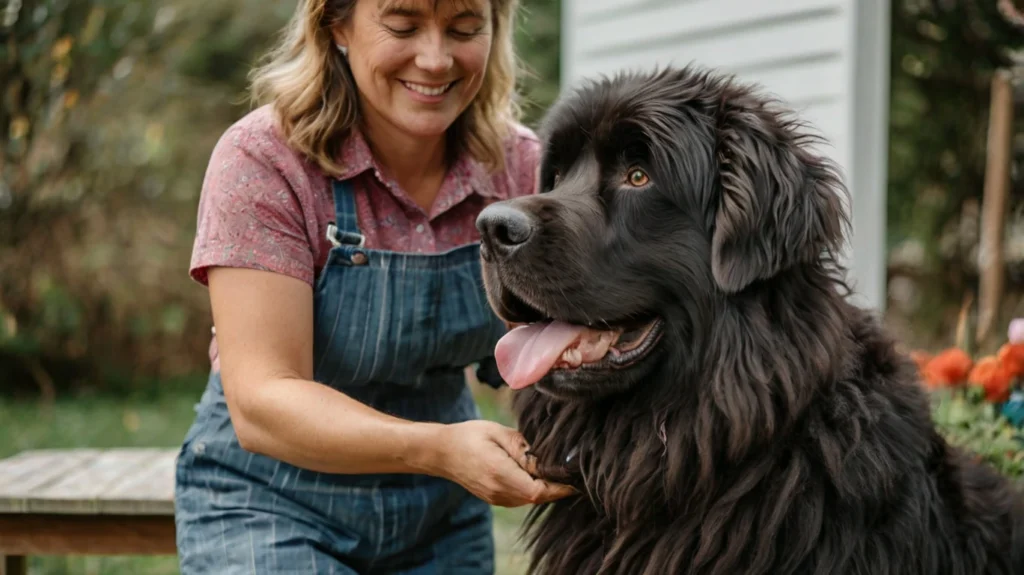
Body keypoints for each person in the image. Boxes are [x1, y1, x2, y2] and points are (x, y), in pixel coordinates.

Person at [172, 0, 575, 572]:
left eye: (464, 28)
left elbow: (548, 352)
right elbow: (262, 400)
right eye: (403, 26)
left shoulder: (518, 171)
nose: (436, 59)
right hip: (269, 505)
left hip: (440, 520)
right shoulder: (265, 162)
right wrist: (438, 449)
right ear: (336, 24)